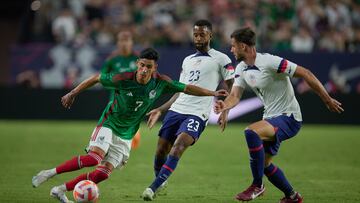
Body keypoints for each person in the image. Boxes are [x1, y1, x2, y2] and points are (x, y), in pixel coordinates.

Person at [32, 48, 228, 203]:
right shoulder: (123, 78)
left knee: (103, 173)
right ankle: (49, 173)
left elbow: (187, 88)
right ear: (137, 64)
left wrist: (213, 93)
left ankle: (60, 190)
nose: (144, 70)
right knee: (93, 159)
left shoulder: (161, 83)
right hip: (109, 123)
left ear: (154, 68)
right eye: (142, 65)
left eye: (148, 67)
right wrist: (73, 93)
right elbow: (96, 78)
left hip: (126, 134)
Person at [214, 27, 344, 203]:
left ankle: (257, 186)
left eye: (233, 46)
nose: (231, 50)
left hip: (289, 117)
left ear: (243, 46)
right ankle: (292, 196)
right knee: (265, 165)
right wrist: (225, 107)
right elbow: (235, 96)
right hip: (271, 118)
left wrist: (327, 100)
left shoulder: (270, 61)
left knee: (251, 132)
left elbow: (306, 73)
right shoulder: (242, 68)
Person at [141, 19, 235, 201]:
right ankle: (160, 180)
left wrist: (226, 110)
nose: (198, 38)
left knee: (178, 147)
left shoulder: (222, 59)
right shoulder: (187, 60)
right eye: (195, 35)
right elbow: (181, 89)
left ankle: (153, 188)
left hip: (198, 113)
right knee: (161, 151)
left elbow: (232, 87)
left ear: (210, 35)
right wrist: (160, 109)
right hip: (177, 109)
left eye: (202, 34)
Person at [104, 31, 141, 149]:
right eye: (121, 41)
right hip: (116, 98)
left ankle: (131, 138)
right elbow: (102, 78)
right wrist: (113, 82)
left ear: (132, 42)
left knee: (129, 125)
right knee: (111, 125)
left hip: (134, 99)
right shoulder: (112, 60)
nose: (124, 44)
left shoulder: (138, 59)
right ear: (117, 43)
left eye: (127, 40)